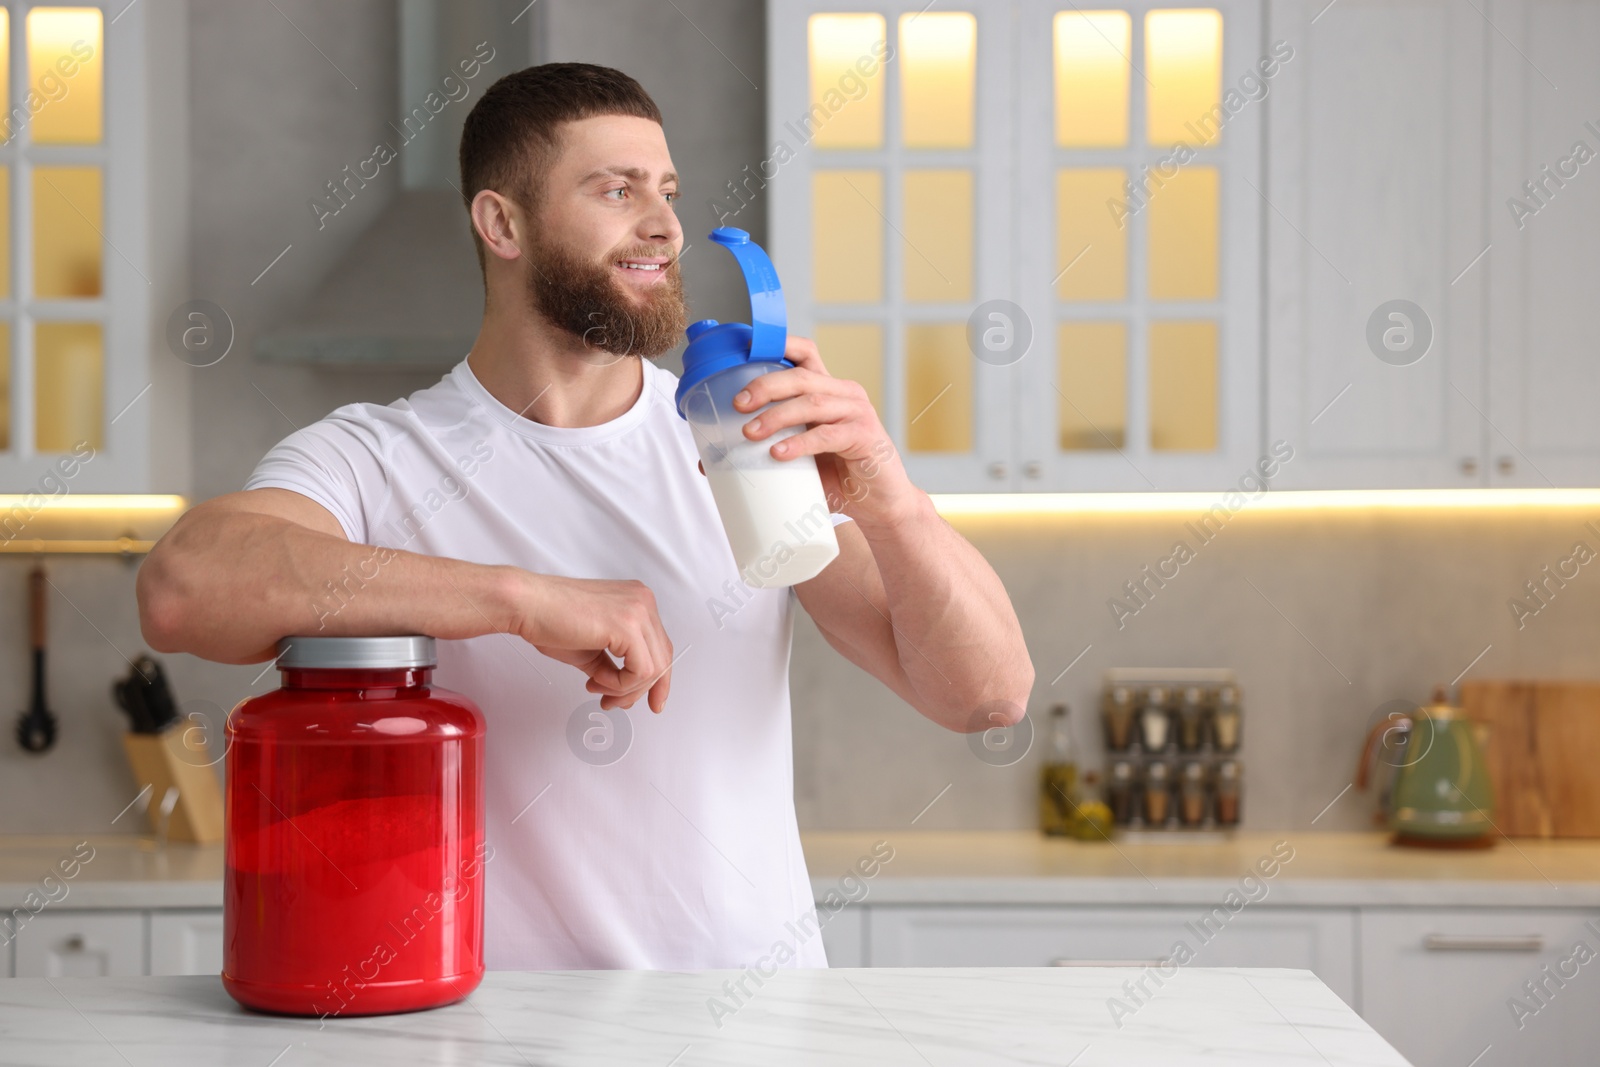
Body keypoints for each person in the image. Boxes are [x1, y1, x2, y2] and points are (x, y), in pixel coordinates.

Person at [137, 63, 1033, 971]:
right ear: (502, 223)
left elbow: (986, 695)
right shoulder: (377, 457)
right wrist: (520, 599)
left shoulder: (736, 442)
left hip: (744, 1027)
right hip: (491, 1028)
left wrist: (891, 497)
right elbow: (184, 588)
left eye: (670, 192)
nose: (666, 226)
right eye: (618, 190)